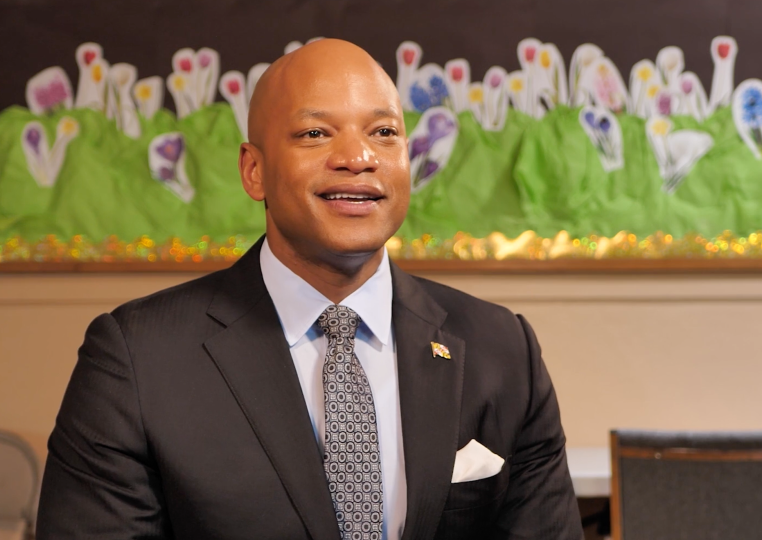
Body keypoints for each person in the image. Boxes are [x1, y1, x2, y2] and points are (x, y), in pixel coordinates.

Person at [36, 39, 583, 540]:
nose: (358, 157)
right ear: (254, 171)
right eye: (315, 133)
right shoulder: (136, 358)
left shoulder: (503, 349)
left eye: (383, 132)